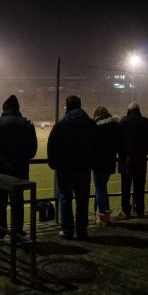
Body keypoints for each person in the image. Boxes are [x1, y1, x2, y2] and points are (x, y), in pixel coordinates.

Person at [0, 95, 37, 240]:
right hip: (20, 171)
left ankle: (0, 232)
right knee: (18, 201)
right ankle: (18, 231)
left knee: (0, 201)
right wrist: (18, 162)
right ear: (18, 108)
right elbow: (32, 149)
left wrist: (3, 163)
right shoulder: (27, 123)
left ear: (4, 108)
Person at [48, 95, 97, 239]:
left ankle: (67, 230)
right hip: (84, 168)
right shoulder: (90, 124)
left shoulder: (62, 124)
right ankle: (82, 230)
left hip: (65, 168)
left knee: (65, 198)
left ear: (67, 106)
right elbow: (98, 145)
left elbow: (52, 145)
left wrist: (54, 163)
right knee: (83, 199)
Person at [118, 103, 148, 219]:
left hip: (125, 161)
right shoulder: (146, 122)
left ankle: (126, 211)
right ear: (139, 110)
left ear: (128, 110)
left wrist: (122, 153)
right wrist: (144, 152)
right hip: (140, 161)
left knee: (125, 188)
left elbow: (117, 142)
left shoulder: (123, 122)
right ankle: (140, 210)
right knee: (139, 187)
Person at [91, 106, 121, 226]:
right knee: (103, 188)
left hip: (98, 162)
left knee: (100, 189)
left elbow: (92, 144)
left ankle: (102, 215)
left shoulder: (95, 126)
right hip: (110, 162)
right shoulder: (115, 126)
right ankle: (104, 214)